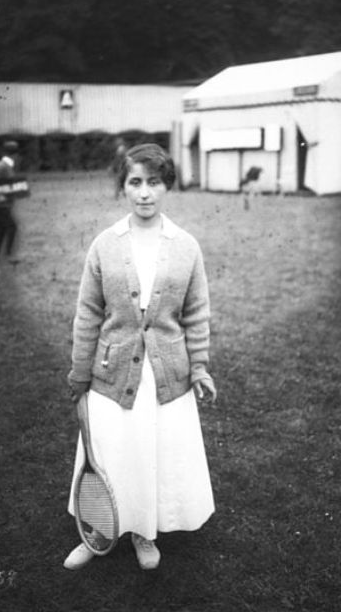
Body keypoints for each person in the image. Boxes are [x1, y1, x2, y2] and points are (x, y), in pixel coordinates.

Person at [64, 143, 217, 571]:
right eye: (135, 182)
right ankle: (97, 530)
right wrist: (80, 372)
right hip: (111, 374)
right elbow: (88, 313)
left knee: (151, 454)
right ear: (123, 187)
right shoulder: (105, 244)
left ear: (166, 186)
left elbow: (196, 313)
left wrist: (199, 367)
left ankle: (143, 533)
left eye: (154, 182)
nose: (145, 192)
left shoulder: (185, 246)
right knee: (111, 451)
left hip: (165, 375)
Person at [0, 140, 23, 263]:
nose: (17, 156)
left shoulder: (7, 165)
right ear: (13, 154)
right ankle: (9, 255)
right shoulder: (2, 166)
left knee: (1, 230)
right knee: (12, 227)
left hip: (2, 203)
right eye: (15, 154)